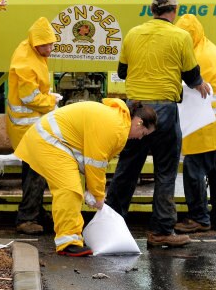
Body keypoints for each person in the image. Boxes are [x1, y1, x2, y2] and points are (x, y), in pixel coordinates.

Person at [104, 0, 211, 248]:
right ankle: (161, 230)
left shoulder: (132, 34)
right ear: (174, 11)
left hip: (135, 109)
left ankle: (109, 224)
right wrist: (199, 85)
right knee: (165, 171)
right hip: (164, 110)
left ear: (152, 10)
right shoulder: (181, 36)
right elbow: (191, 74)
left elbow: (123, 71)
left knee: (127, 169)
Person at [15, 100, 157, 256]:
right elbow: (96, 164)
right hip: (49, 141)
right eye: (143, 133)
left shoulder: (117, 121)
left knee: (70, 189)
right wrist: (98, 195)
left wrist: (93, 190)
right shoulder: (117, 128)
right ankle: (68, 243)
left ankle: (71, 238)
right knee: (69, 190)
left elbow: (92, 160)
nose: (140, 138)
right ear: (138, 122)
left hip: (50, 139)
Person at [173, 13, 216, 233]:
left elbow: (179, 82)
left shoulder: (194, 56)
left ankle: (199, 218)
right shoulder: (210, 47)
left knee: (195, 171)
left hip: (206, 124)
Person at [6, 16, 60, 235]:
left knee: (33, 171)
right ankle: (27, 218)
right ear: (36, 43)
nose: (50, 48)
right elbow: (30, 98)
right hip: (27, 127)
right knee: (36, 171)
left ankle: (35, 211)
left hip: (29, 126)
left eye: (51, 43)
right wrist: (52, 101)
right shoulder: (26, 63)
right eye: (45, 45)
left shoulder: (30, 50)